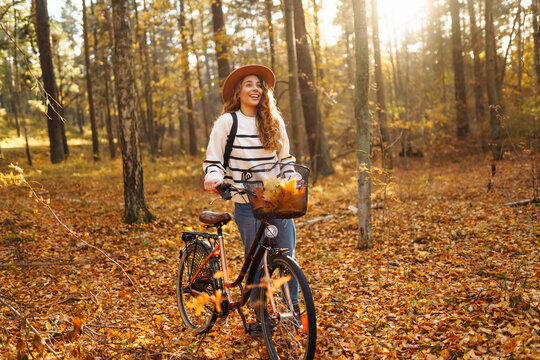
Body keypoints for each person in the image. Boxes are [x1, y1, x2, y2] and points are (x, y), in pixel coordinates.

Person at [202, 64, 298, 329]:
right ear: (238, 91)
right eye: (249, 84)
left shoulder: (274, 121)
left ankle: (294, 311)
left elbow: (285, 158)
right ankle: (260, 317)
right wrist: (214, 177)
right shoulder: (227, 122)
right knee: (256, 263)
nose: (255, 89)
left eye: (259, 85)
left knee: (287, 258)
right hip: (246, 205)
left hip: (277, 201)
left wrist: (292, 176)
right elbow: (213, 160)